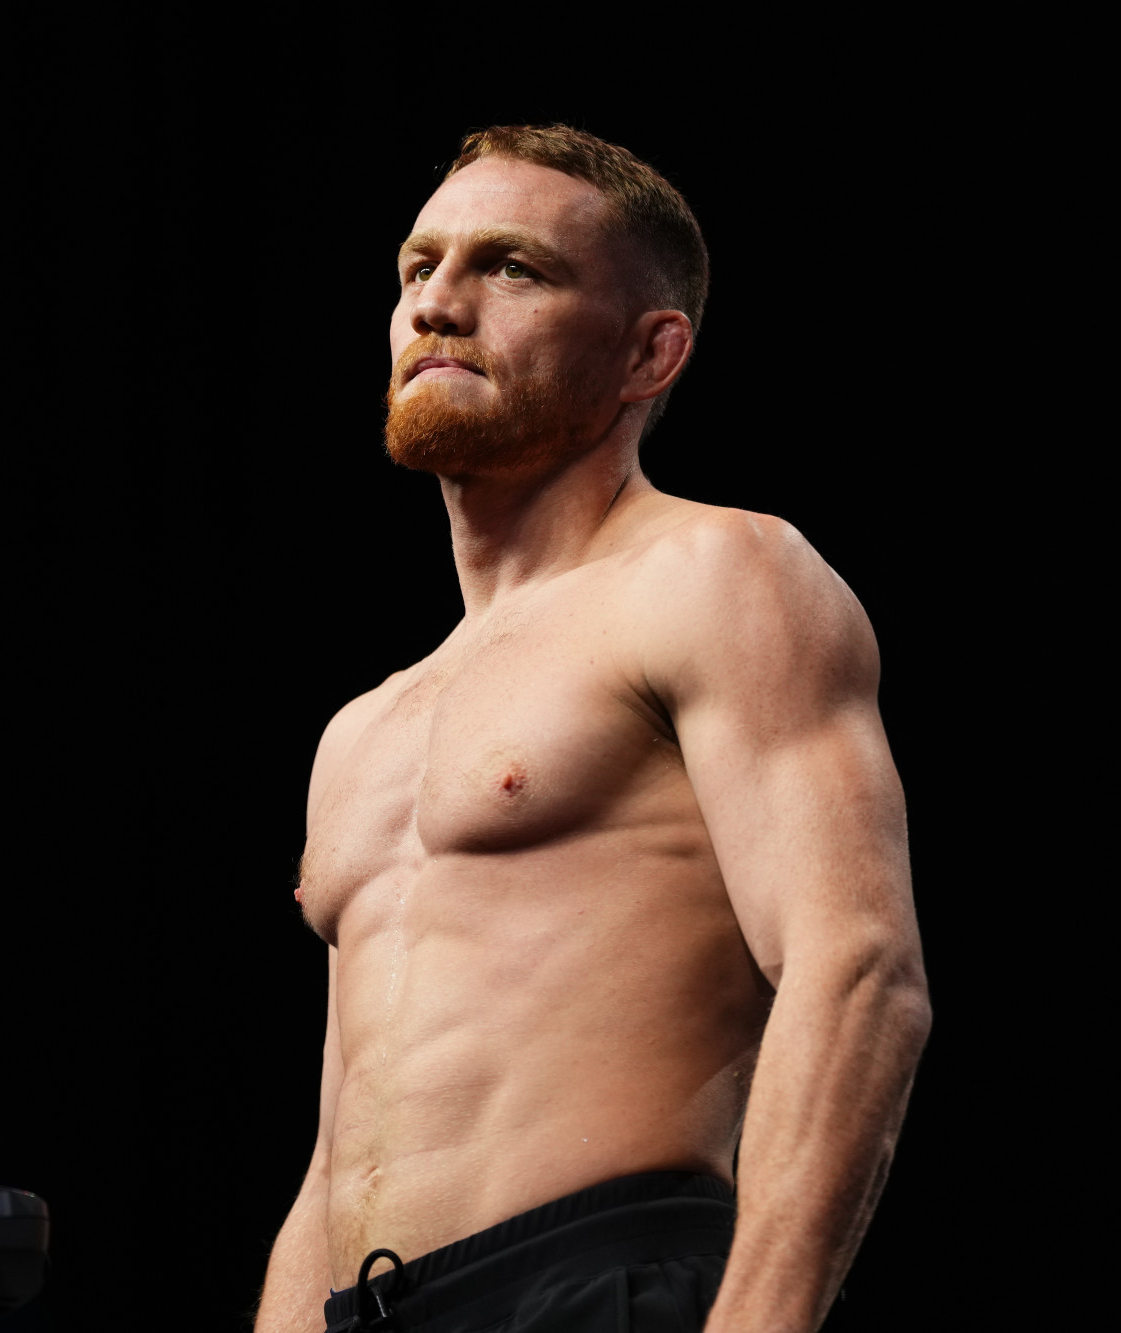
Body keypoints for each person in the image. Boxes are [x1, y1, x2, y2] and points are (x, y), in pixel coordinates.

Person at [253, 125, 931, 1333]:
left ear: (647, 352)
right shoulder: (358, 730)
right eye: (417, 267)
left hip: (600, 1280)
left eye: (510, 267)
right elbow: (331, 1159)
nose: (437, 304)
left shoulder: (718, 573)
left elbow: (856, 973)